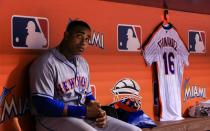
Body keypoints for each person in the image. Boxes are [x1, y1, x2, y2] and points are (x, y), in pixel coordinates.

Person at [29, 20, 141, 131]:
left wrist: (98, 111)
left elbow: (88, 95)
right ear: (66, 35)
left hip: (81, 115)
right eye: (79, 36)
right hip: (52, 119)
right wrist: (85, 111)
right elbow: (43, 104)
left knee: (134, 130)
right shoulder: (46, 63)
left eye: (87, 39)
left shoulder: (83, 63)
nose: (83, 42)